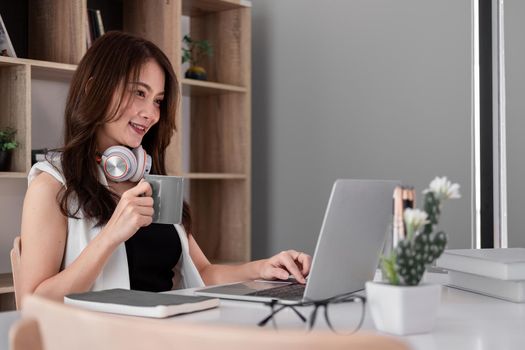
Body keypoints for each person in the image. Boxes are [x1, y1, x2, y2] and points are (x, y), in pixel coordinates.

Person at [19, 31, 311, 303]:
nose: (150, 113)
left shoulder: (150, 181)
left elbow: (204, 273)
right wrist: (111, 236)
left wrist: (263, 268)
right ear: (94, 88)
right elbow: (33, 302)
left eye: (158, 100)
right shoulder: (52, 185)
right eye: (139, 93)